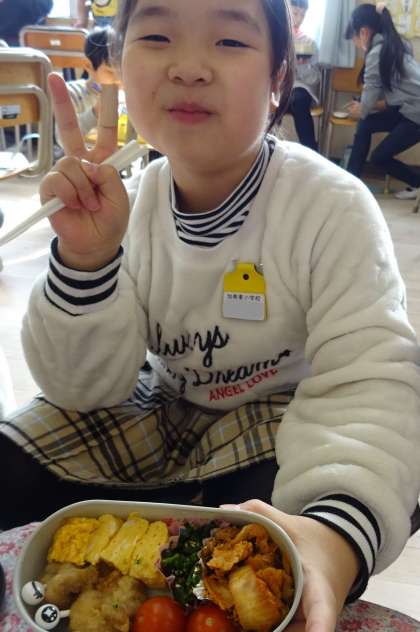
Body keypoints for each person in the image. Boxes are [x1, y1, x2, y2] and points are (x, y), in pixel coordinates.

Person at [1, 1, 420, 630]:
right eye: (157, 36)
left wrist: (332, 539)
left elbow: (369, 381)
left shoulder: (331, 207)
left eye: (229, 41)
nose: (189, 67)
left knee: (294, 525)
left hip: (287, 421)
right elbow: (84, 390)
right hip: (166, 404)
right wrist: (87, 261)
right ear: (119, 64)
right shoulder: (132, 205)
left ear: (278, 77)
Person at [345, 3, 420, 200]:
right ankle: (351, 180)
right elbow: (398, 92)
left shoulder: (377, 52)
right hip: (408, 109)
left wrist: (361, 109)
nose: (358, 47)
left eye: (355, 41)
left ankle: (417, 182)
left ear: (364, 32)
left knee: (378, 158)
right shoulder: (396, 43)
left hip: (416, 114)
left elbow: (370, 91)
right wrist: (366, 109)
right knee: (366, 124)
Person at [56, 27, 120, 146]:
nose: (119, 79)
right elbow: (62, 140)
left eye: (124, 73)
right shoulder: (72, 93)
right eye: (111, 72)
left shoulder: (126, 96)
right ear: (88, 65)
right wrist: (95, 112)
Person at [288, 0, 320, 151]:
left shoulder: (309, 43)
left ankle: (311, 150)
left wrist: (302, 65)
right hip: (275, 89)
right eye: (295, 13)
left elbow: (315, 78)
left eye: (303, 15)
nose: (299, 19)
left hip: (297, 90)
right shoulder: (272, 37)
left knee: (299, 98)